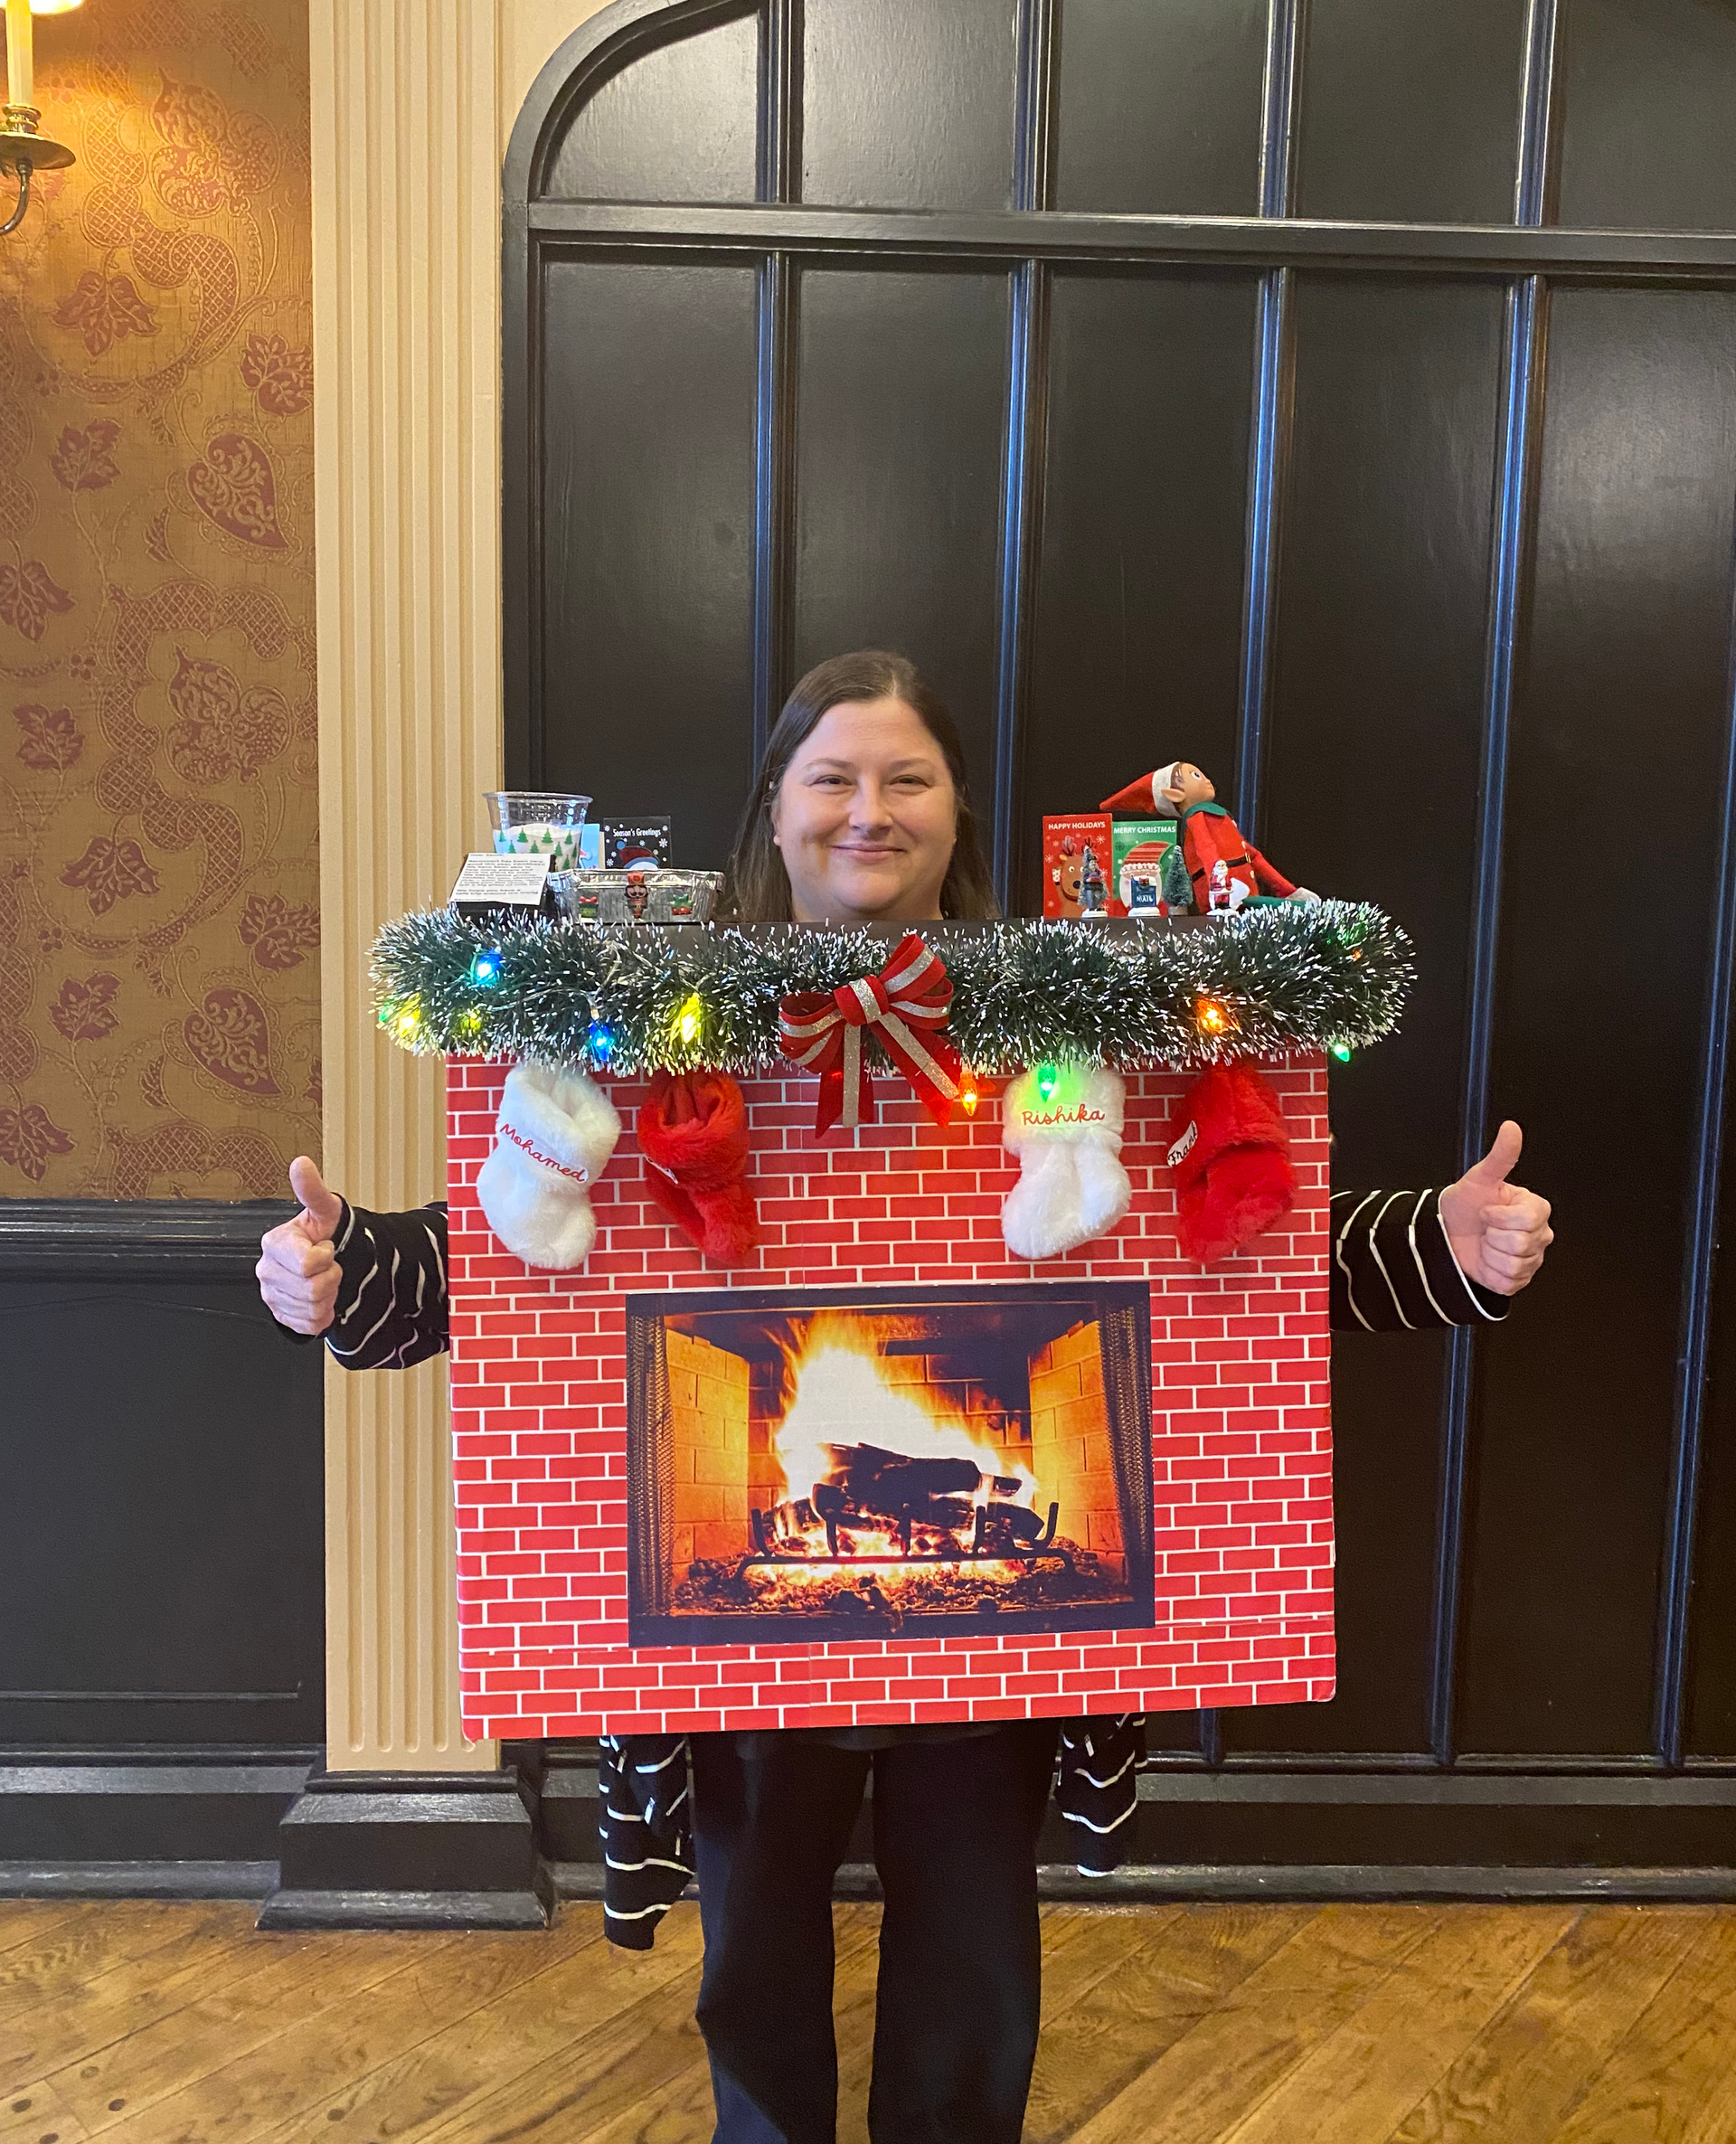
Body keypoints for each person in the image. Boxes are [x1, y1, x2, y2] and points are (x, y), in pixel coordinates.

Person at [258, 650, 1552, 2144]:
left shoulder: (1072, 1018)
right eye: (834, 778)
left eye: (906, 779)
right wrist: (343, 1280)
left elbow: (1221, 1257)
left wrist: (1440, 1248)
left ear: (955, 814)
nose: (867, 811)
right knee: (750, 1970)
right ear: (779, 807)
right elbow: (526, 1269)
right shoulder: (652, 1014)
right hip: (744, 1629)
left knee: (974, 1976)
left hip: (990, 1626)